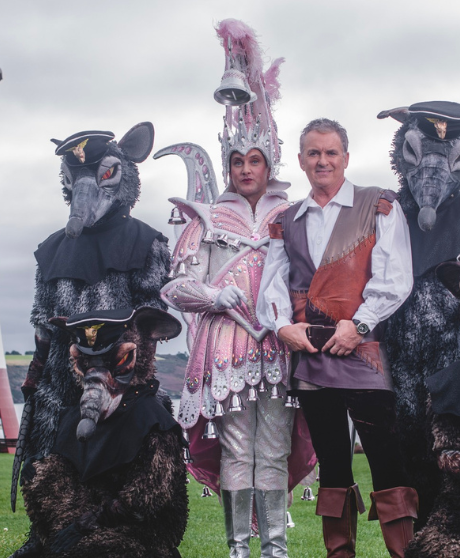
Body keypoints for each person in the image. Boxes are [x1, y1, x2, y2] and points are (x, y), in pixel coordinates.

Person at [160, 19, 314, 558]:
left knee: (272, 450)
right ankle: (238, 549)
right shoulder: (206, 216)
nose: (246, 169)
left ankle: (275, 548)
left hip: (279, 347)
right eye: (237, 161)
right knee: (235, 450)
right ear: (226, 164)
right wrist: (213, 296)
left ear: (269, 163)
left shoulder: (293, 212)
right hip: (224, 348)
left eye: (255, 160)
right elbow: (176, 287)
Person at [256, 118, 416, 557]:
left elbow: (395, 277)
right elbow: (273, 284)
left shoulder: (378, 204)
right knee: (332, 467)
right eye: (314, 153)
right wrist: (282, 326)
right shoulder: (286, 220)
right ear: (301, 160)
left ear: (346, 157)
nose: (322, 161)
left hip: (365, 355)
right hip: (311, 357)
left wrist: (359, 326)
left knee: (387, 460)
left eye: (331, 152)